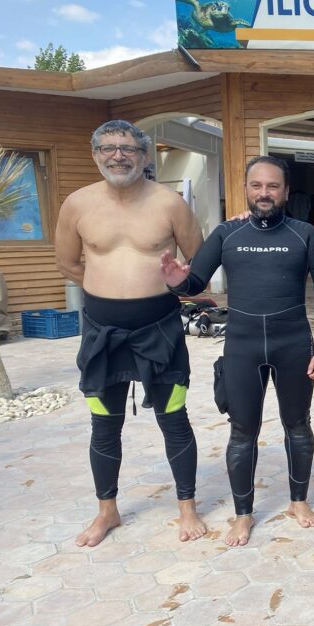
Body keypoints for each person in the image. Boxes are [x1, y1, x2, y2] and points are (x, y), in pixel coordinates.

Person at [161, 155, 314, 547]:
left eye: (272, 186)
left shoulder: (304, 236)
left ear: (286, 191)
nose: (264, 192)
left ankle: (298, 501)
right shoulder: (227, 234)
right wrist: (177, 282)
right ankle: (243, 515)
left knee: (298, 424)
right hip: (241, 346)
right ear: (246, 189)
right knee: (242, 431)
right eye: (256, 185)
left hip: (293, 343)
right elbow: (194, 281)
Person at [55, 119, 207, 547]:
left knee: (174, 420)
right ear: (95, 154)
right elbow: (67, 262)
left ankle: (187, 507)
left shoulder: (170, 203)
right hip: (102, 333)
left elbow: (198, 261)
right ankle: (108, 511)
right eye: (107, 147)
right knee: (104, 425)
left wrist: (163, 285)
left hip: (159, 329)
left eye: (127, 147)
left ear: (144, 156)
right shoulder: (77, 204)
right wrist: (111, 288)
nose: (117, 155)